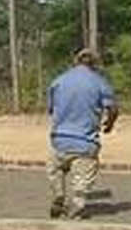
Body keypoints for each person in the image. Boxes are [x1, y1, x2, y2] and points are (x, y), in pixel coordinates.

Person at [46, 48, 119, 219]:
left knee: (55, 170)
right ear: (94, 64)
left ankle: (59, 194)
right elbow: (113, 108)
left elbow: (51, 109)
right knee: (82, 179)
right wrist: (109, 124)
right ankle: (77, 205)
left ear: (75, 61)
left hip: (60, 139)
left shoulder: (58, 81)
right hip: (86, 142)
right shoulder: (100, 82)